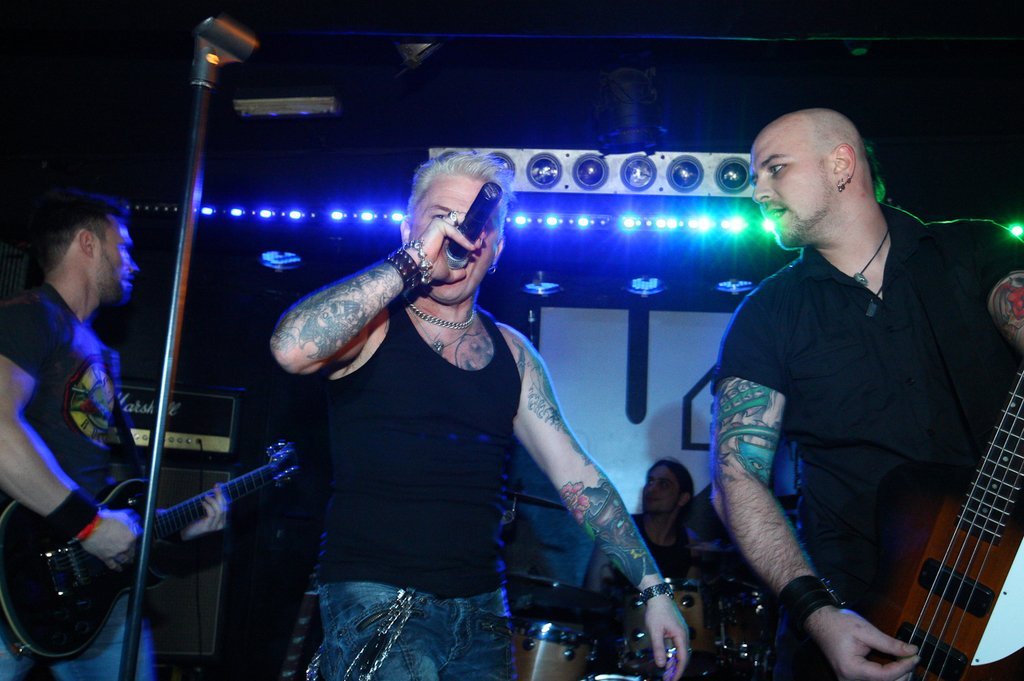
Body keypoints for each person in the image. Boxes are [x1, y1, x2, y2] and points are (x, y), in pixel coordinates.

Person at [269, 151, 689, 681]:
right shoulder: (372, 327)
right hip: (376, 597)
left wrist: (654, 589)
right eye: (442, 218)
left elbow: (577, 476)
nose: (461, 236)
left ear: (497, 248)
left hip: (482, 613)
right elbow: (291, 348)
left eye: (476, 225)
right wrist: (412, 263)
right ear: (409, 230)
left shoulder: (513, 354)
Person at [710, 107, 1024, 681]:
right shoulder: (767, 314)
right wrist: (818, 614)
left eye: (775, 169)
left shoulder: (975, 249)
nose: (758, 192)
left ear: (841, 164)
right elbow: (737, 479)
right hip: (852, 613)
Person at [0, 189, 229, 680]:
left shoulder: (98, 350)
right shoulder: (28, 316)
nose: (134, 264)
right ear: (87, 243)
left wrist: (169, 527)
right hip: (12, 573)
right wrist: (88, 526)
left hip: (91, 588)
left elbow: (91, 482)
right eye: (122, 246)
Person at [586, 458, 699, 594]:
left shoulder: (691, 542)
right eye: (650, 481)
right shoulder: (617, 529)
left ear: (683, 498)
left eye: (664, 484)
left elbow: (691, 597)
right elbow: (592, 592)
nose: (651, 489)